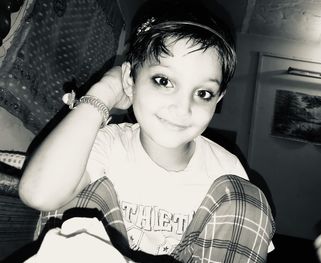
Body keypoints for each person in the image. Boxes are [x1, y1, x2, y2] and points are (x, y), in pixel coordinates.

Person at [19, 0, 275, 262]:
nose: (182, 108)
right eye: (163, 81)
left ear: (218, 98)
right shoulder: (109, 144)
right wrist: (103, 92)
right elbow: (38, 194)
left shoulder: (225, 169)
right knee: (77, 178)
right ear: (130, 79)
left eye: (203, 93)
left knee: (247, 197)